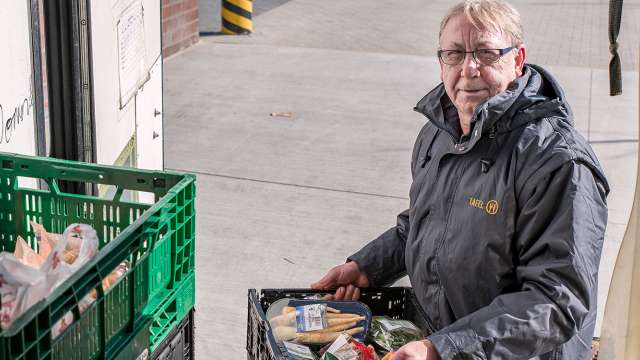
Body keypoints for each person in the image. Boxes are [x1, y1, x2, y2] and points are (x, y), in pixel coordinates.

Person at [311, 1, 609, 359]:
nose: (469, 68)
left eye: (486, 53)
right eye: (454, 54)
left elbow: (556, 302)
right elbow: (424, 223)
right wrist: (367, 267)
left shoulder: (557, 161)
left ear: (517, 59)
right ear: (441, 63)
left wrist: (442, 348)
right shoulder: (437, 135)